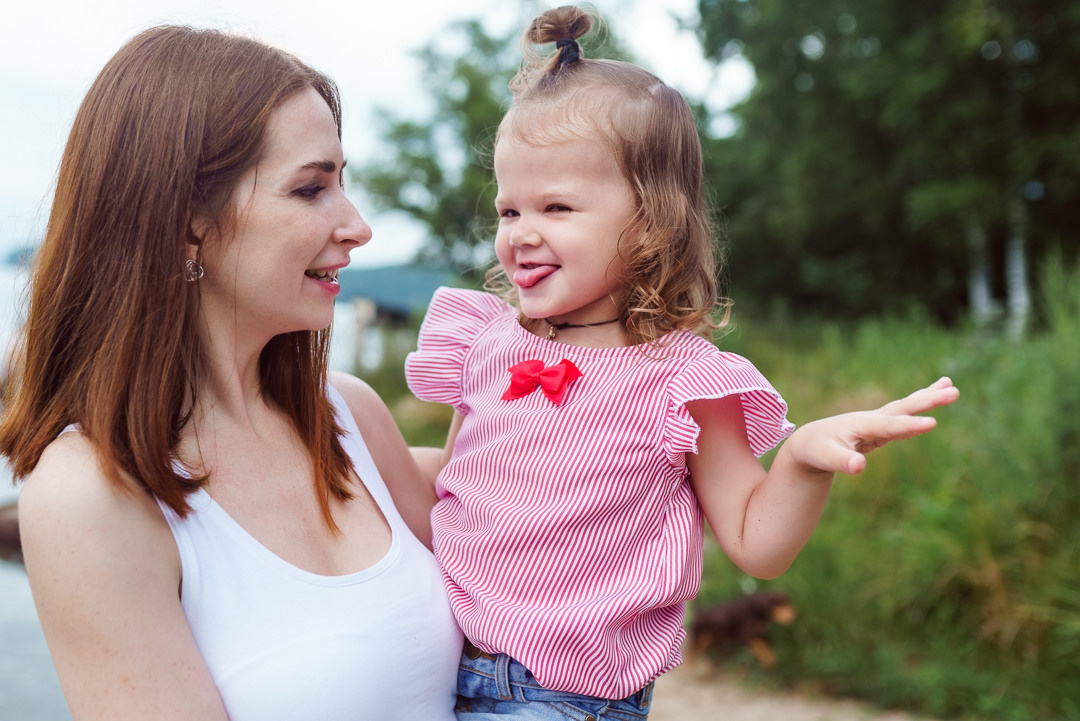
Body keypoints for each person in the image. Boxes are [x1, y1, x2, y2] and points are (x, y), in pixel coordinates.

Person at [403, 5, 960, 719]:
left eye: (557, 207)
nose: (522, 234)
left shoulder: (683, 381)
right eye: (510, 211)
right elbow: (453, 486)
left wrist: (804, 458)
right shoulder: (486, 339)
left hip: (562, 697)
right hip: (440, 656)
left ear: (649, 223)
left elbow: (758, 545)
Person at [0, 25, 461, 721]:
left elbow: (520, 524)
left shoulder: (349, 415)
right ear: (187, 223)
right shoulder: (90, 494)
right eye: (310, 189)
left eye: (343, 183)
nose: (358, 225)